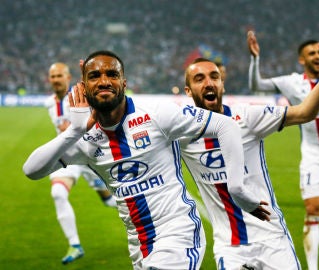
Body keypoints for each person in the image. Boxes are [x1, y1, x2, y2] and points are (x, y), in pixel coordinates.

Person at [23, 51, 269, 270]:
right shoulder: (85, 139)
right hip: (138, 244)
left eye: (112, 74)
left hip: (178, 232)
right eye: (95, 75)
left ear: (124, 82)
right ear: (84, 87)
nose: (104, 80)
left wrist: (237, 189)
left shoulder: (156, 114)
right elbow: (32, 170)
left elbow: (225, 125)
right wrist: (72, 132)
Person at [181, 34, 319, 270]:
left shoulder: (248, 116)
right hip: (230, 247)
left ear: (222, 83)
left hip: (272, 239)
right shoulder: (181, 131)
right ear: (188, 90)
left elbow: (305, 112)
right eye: (199, 79)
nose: (209, 83)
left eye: (214, 76)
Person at [247, 30, 319, 270]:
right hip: (312, 157)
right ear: (302, 60)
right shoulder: (291, 82)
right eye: (312, 53)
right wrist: (255, 59)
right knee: (312, 209)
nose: (318, 56)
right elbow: (256, 84)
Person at [45, 62, 117, 264]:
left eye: (59, 76)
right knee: (58, 193)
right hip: (69, 158)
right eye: (53, 76)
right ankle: (75, 245)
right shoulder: (49, 103)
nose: (56, 80)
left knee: (112, 200)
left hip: (91, 156)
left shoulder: (80, 96)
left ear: (68, 78)